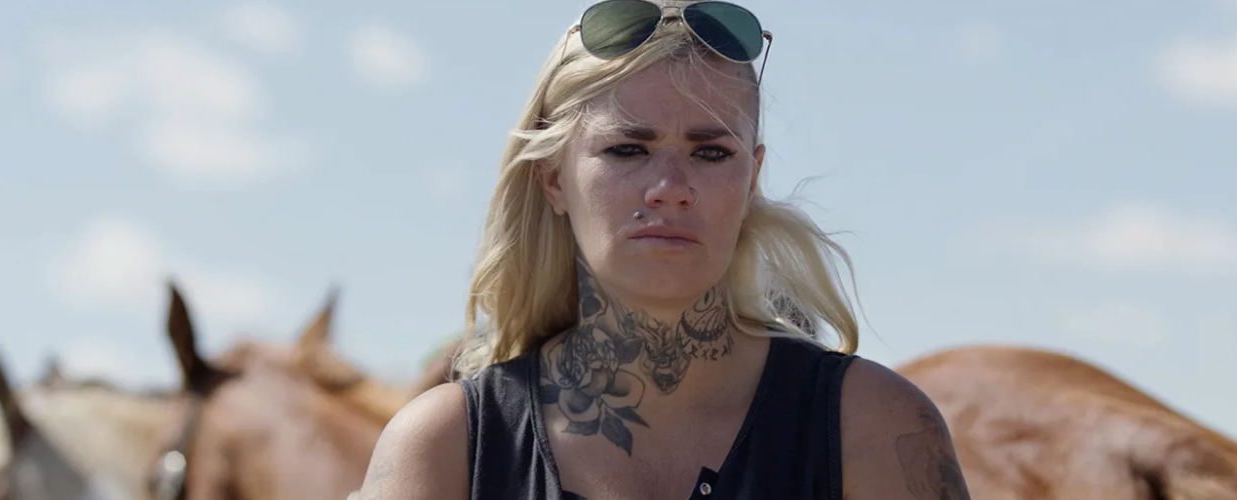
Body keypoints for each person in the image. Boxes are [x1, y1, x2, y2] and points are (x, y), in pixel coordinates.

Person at [358, 1, 972, 499]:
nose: (671, 188)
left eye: (711, 153)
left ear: (751, 180)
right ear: (553, 179)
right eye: (627, 149)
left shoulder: (873, 426)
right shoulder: (445, 446)